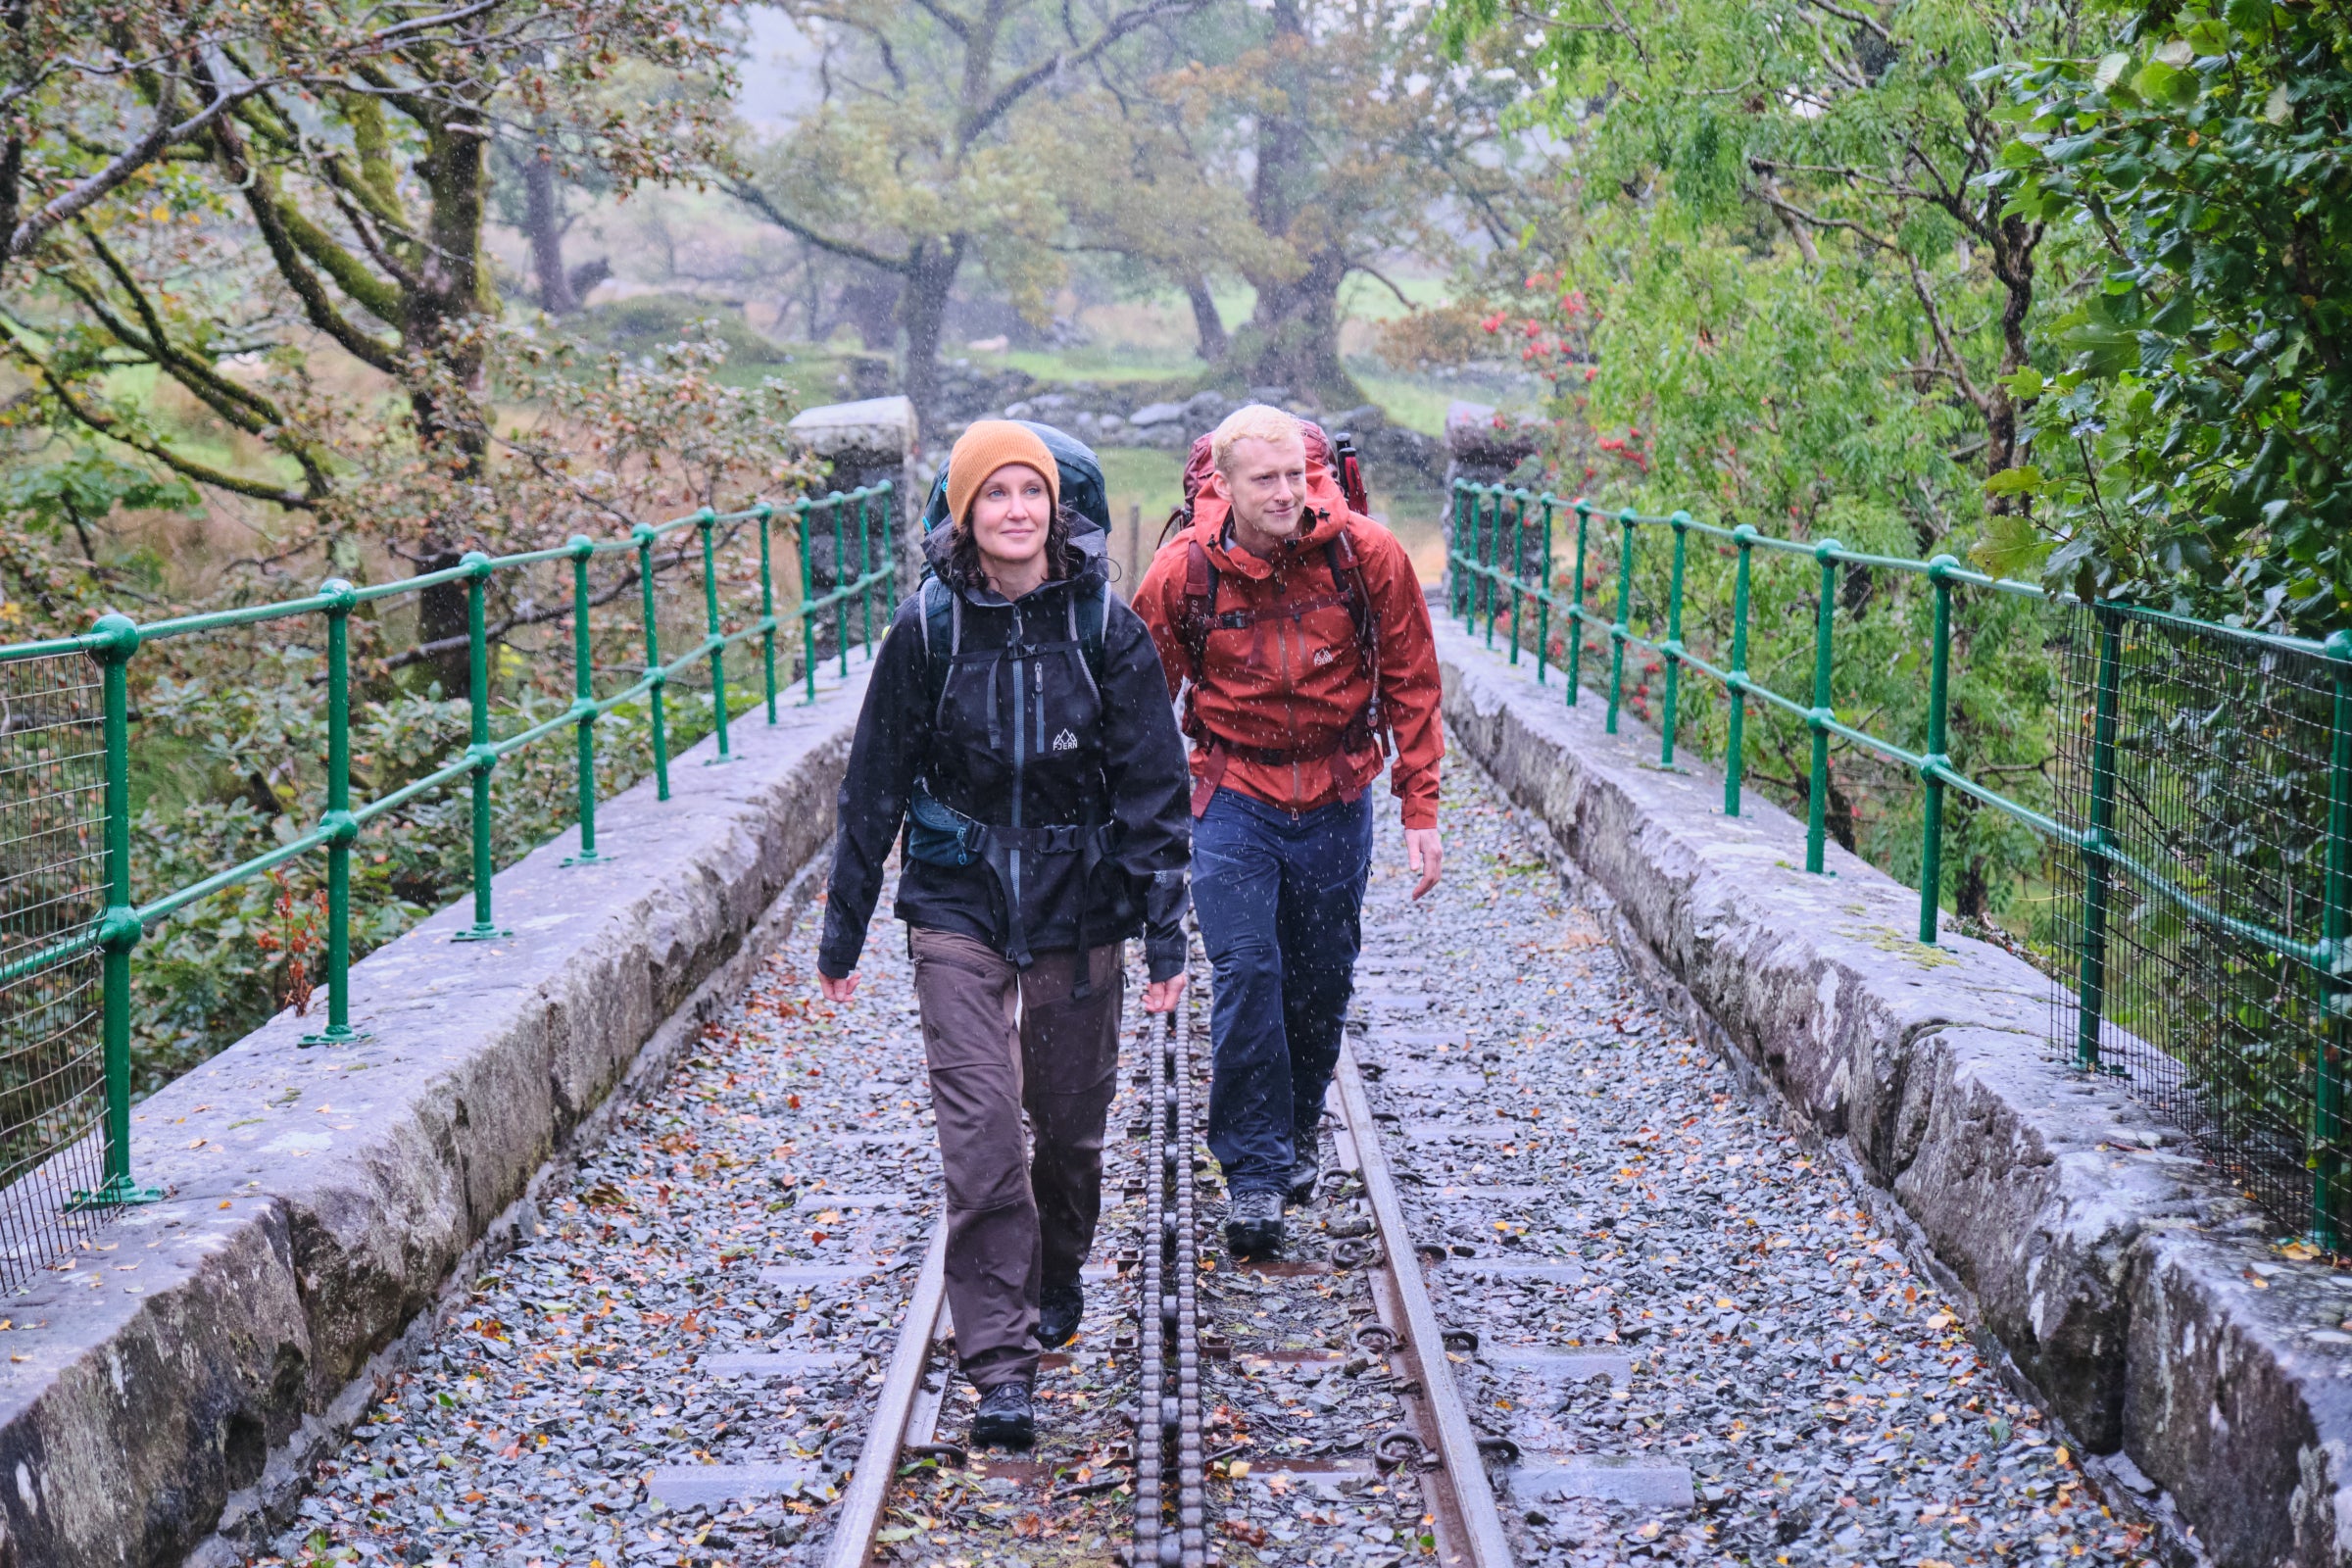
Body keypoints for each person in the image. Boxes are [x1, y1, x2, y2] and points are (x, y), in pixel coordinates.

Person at [816, 420, 1192, 1449]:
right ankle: (1001, 1364)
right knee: (981, 1140)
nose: (1017, 510)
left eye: (1033, 492)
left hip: (1082, 898)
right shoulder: (927, 629)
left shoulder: (1106, 628)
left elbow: (1157, 786)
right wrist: (843, 931)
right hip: (957, 899)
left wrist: (1166, 936)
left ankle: (1058, 1265)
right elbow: (873, 785)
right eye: (996, 495)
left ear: (1056, 507)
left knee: (1068, 1133)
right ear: (964, 511)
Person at [1132, 405, 1444, 1260]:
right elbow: (1135, 708)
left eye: (1296, 478)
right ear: (1222, 486)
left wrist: (1420, 808)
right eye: (1263, 479)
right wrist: (1124, 826)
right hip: (1233, 793)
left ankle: (1297, 1125)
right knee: (1247, 971)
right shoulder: (1180, 574)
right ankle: (1254, 1173)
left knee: (1317, 977)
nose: (1284, 494)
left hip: (1339, 794)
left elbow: (1413, 678)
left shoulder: (1367, 555)